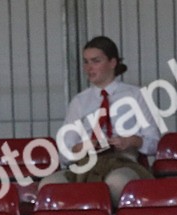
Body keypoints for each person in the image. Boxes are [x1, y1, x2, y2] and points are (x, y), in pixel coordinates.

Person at [39, 35, 158, 205]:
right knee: (48, 185)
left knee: (116, 183)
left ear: (112, 62)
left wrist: (131, 141)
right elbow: (64, 152)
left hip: (123, 160)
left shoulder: (136, 95)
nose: (88, 68)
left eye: (95, 61)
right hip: (85, 164)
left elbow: (154, 141)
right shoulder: (79, 101)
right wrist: (84, 145)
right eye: (86, 62)